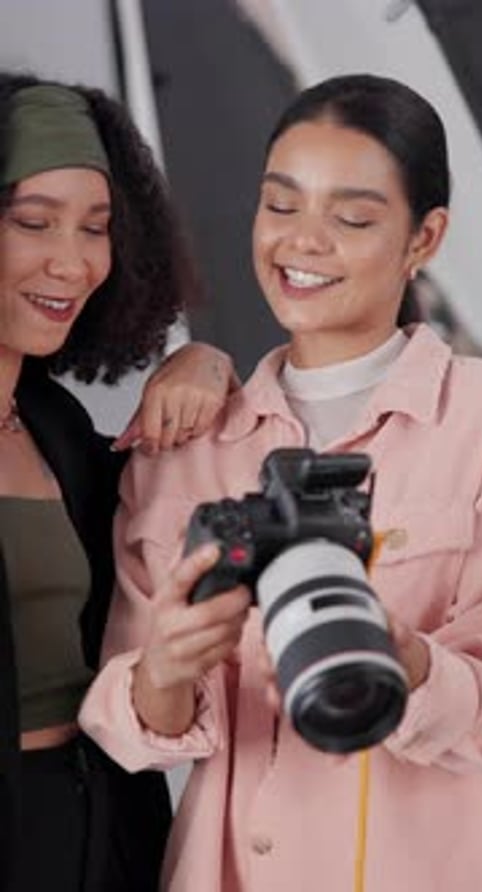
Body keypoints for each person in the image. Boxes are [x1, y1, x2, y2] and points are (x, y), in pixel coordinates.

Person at [81, 74, 482, 892]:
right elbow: (131, 726)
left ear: (424, 238)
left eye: (350, 217)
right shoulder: (180, 448)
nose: (302, 242)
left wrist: (405, 659)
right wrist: (164, 670)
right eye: (280, 205)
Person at [0, 70, 236, 892]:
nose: (71, 261)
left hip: (107, 835)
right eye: (34, 222)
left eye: (97, 228)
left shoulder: (58, 429)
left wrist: (203, 360)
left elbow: (173, 506)